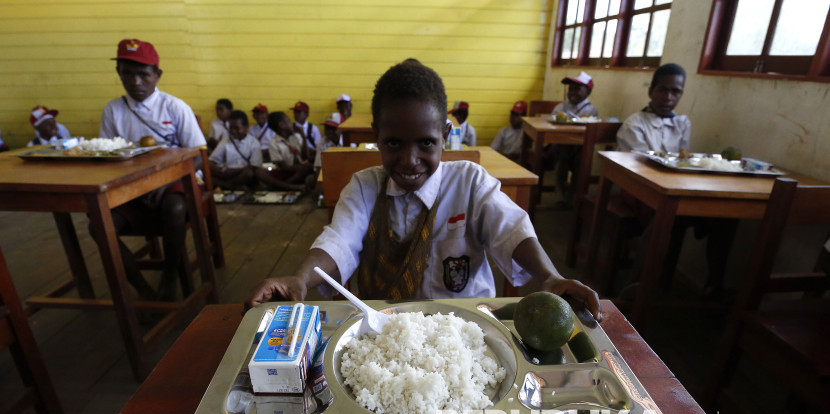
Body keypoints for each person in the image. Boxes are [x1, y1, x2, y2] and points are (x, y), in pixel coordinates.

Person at [244, 60, 601, 321]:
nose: (409, 160)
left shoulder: (469, 182)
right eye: (394, 143)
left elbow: (511, 230)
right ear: (376, 136)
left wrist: (549, 277)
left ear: (445, 135)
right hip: (385, 323)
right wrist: (300, 278)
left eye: (426, 143)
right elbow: (339, 241)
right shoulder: (366, 187)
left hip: (464, 325)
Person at [616, 63, 737, 300]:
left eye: (676, 91)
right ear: (651, 91)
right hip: (639, 188)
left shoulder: (682, 122)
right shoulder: (634, 123)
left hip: (673, 189)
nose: (668, 97)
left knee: (726, 217)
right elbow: (638, 166)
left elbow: (682, 157)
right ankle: (637, 284)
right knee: (666, 214)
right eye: (662, 90)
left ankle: (714, 286)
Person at [99, 38, 207, 303]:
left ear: (157, 74)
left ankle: (169, 274)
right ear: (119, 74)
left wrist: (163, 181)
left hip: (175, 181)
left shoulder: (175, 107)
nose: (135, 81)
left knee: (175, 207)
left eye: (143, 74)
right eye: (127, 73)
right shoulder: (113, 110)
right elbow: (108, 156)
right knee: (100, 225)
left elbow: (199, 155)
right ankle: (141, 288)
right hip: (131, 186)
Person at [548, 71, 599, 206]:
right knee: (562, 159)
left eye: (577, 89)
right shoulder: (560, 107)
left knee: (580, 162)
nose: (572, 92)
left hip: (579, 148)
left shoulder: (591, 110)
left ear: (587, 92)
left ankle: (573, 196)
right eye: (571, 89)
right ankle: (559, 194)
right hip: (561, 146)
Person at [255, 111, 313, 191]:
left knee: (309, 168)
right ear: (281, 125)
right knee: (259, 172)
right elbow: (283, 167)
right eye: (288, 121)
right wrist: (300, 168)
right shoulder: (273, 143)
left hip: (301, 172)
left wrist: (303, 137)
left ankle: (280, 186)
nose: (291, 123)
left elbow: (305, 157)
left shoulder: (296, 136)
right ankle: (289, 186)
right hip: (287, 171)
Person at [208, 110, 262, 191]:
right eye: (231, 128)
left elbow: (254, 167)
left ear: (246, 127)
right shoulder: (225, 141)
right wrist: (220, 170)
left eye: (237, 128)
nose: (233, 131)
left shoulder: (254, 143)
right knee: (204, 172)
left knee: (249, 174)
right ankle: (233, 187)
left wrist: (234, 171)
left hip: (242, 174)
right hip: (227, 174)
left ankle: (226, 186)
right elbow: (211, 161)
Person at [312, 116, 341, 183]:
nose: (329, 131)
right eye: (327, 128)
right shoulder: (322, 143)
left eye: (333, 128)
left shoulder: (348, 141)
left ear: (340, 129)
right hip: (329, 174)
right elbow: (319, 166)